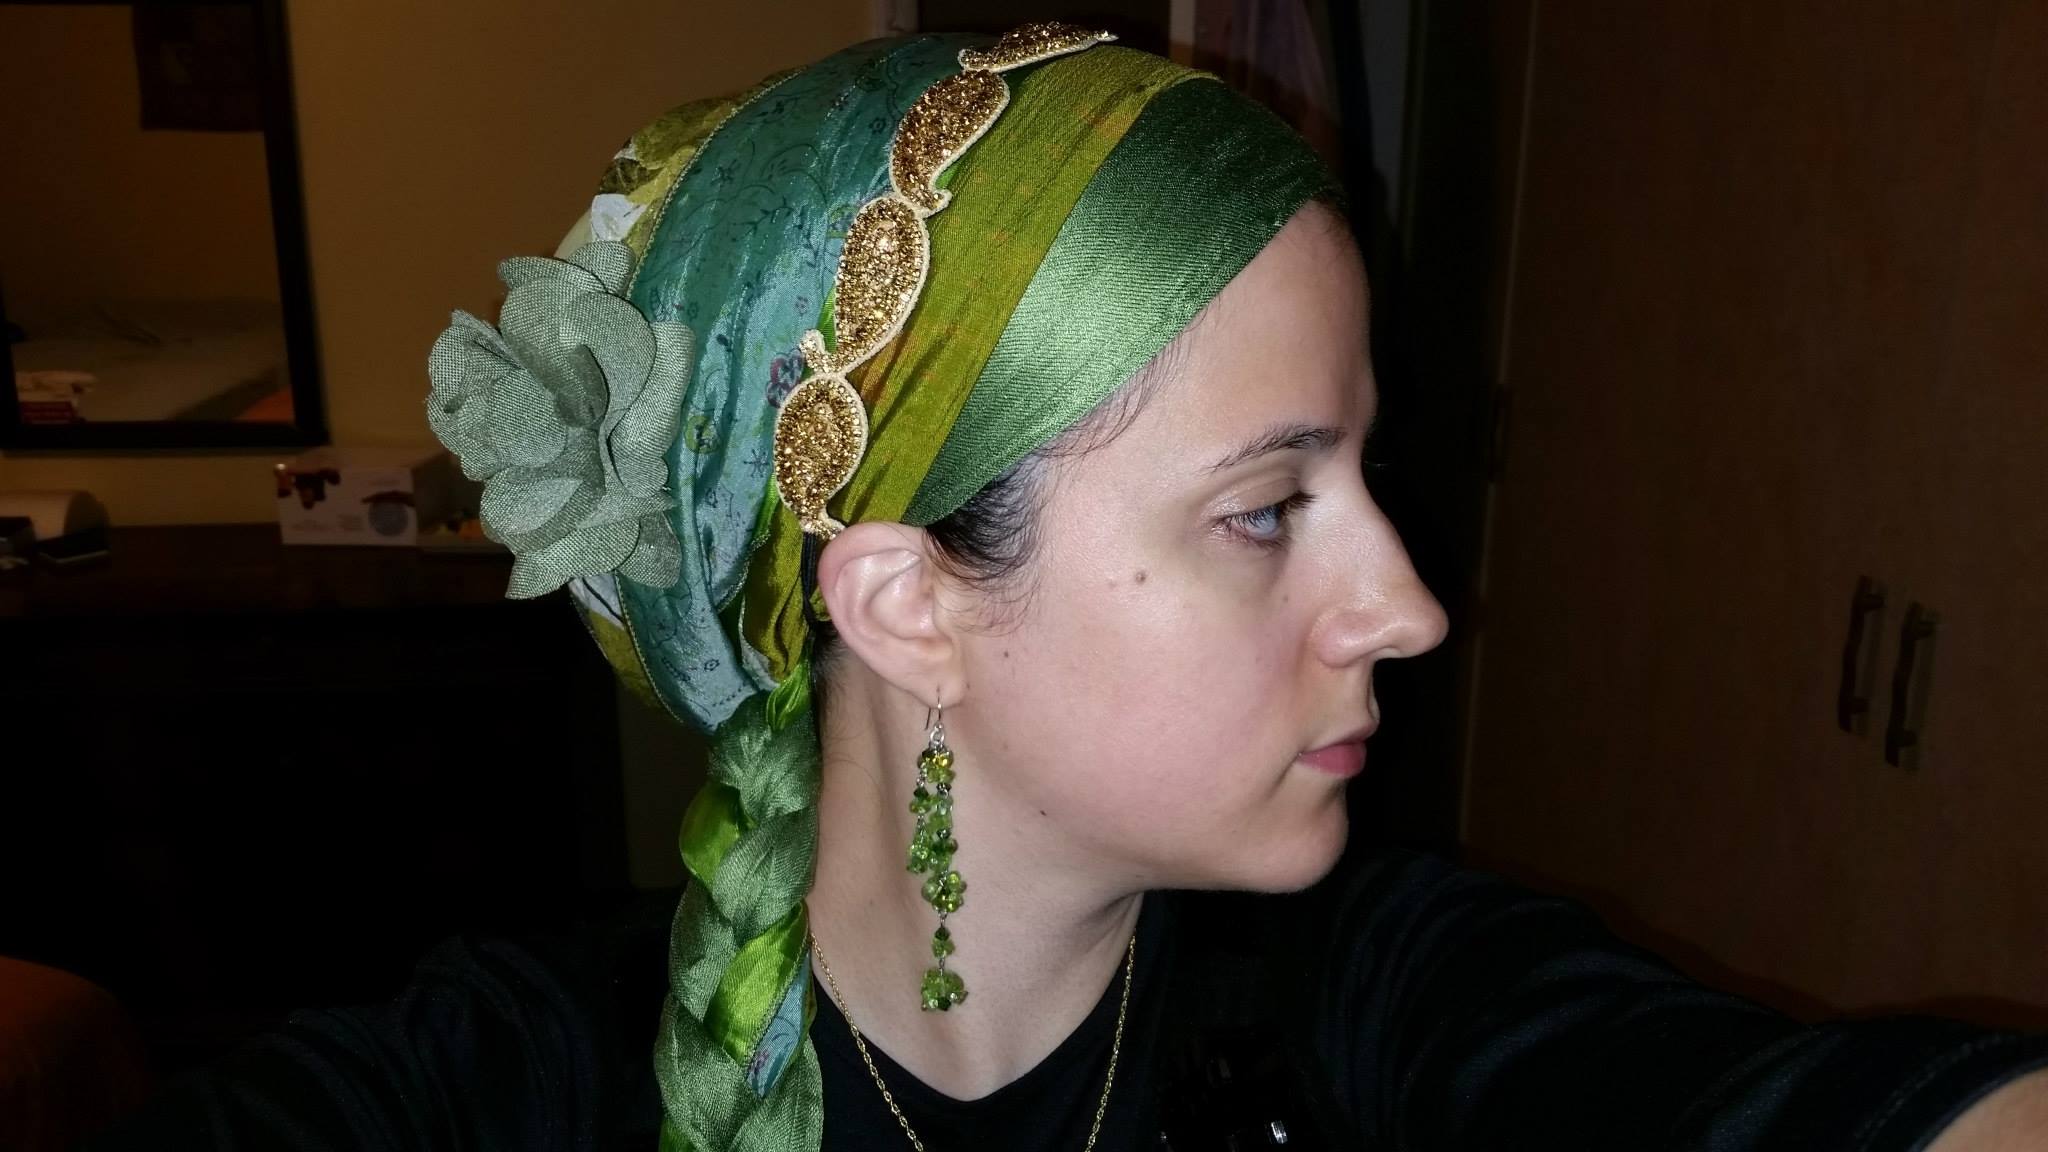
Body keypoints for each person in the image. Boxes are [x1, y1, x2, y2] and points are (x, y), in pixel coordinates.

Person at [90, 23, 2048, 1152]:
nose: (1408, 607)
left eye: (1362, 475)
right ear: (907, 606)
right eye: (1267, 508)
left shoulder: (1377, 1004)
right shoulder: (511, 1082)